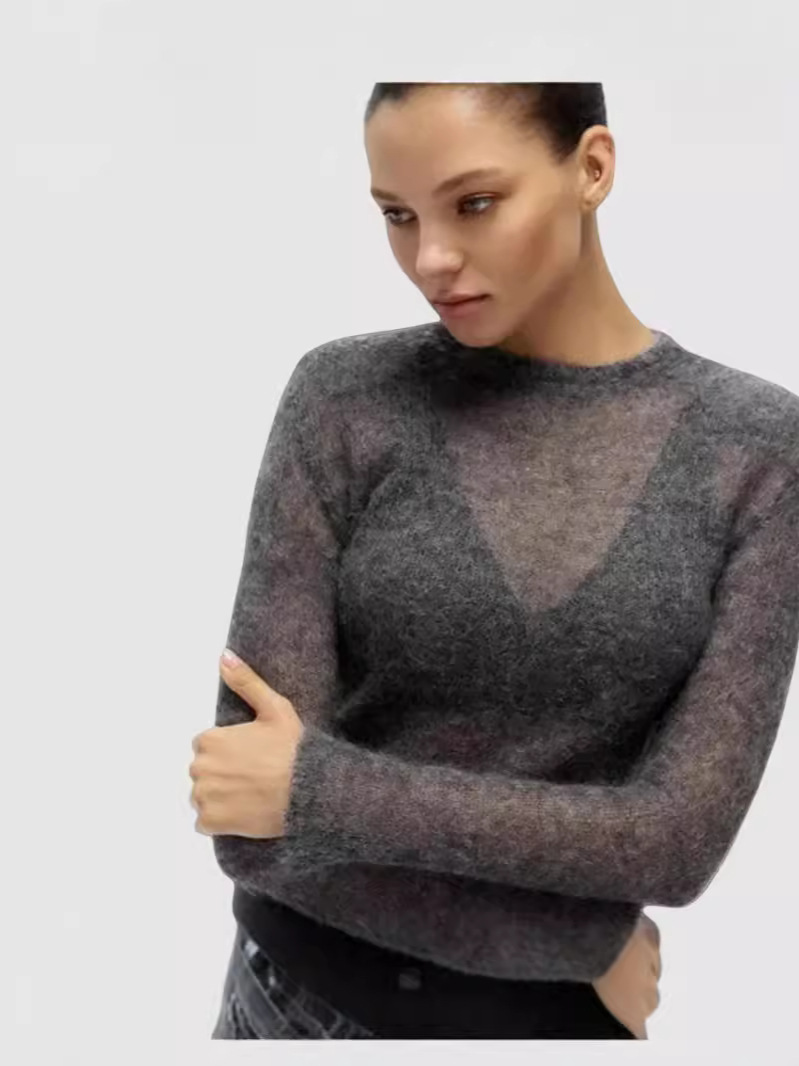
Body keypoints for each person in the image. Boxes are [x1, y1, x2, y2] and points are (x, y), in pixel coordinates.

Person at [203, 82, 799, 1040]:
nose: (430, 259)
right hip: (296, 1009)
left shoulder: (757, 450)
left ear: (591, 167)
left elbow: (676, 844)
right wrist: (577, 942)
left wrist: (319, 791)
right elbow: (249, 822)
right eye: (397, 215)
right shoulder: (343, 398)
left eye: (474, 203)